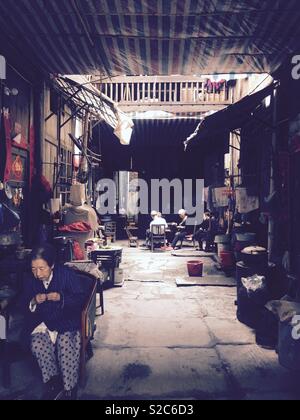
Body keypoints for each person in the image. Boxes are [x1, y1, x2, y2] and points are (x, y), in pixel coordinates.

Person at [22, 244, 87, 400]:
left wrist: (61, 297)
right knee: (37, 343)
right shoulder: (30, 279)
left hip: (66, 320)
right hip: (44, 322)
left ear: (51, 265)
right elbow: (22, 303)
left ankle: (69, 387)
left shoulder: (67, 275)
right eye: (33, 269)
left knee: (66, 344)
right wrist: (33, 301)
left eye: (42, 268)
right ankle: (53, 381)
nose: (37, 274)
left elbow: (80, 300)